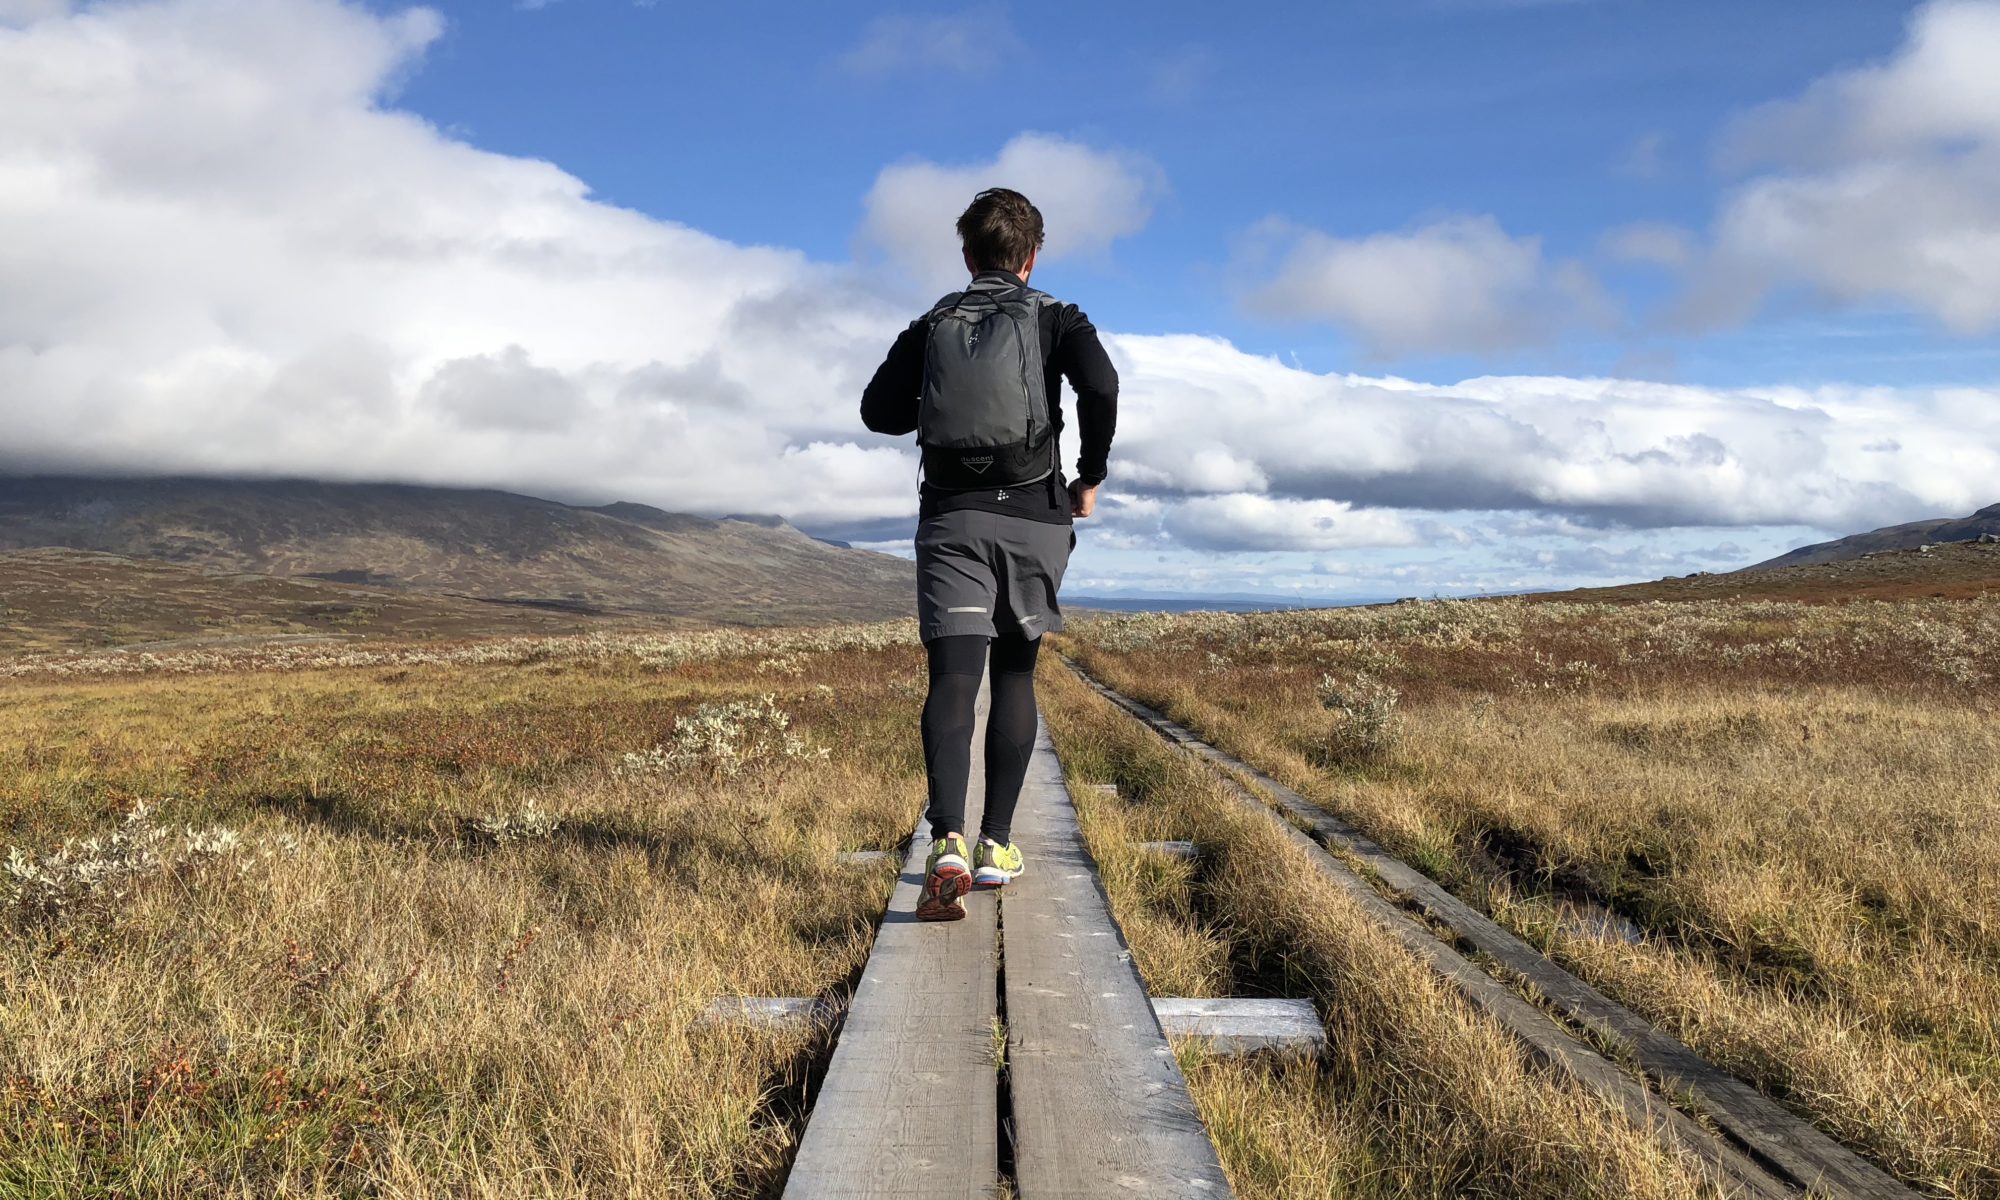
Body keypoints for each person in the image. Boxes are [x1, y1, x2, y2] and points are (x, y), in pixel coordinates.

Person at [860, 187, 1119, 921]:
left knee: (952, 674)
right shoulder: (1057, 318)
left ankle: (945, 838)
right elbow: (1101, 383)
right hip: (1035, 516)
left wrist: (942, 399)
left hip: (950, 517)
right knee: (1014, 670)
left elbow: (876, 410)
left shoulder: (935, 321)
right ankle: (995, 846)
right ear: (1032, 257)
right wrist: (1088, 477)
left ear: (967, 255)